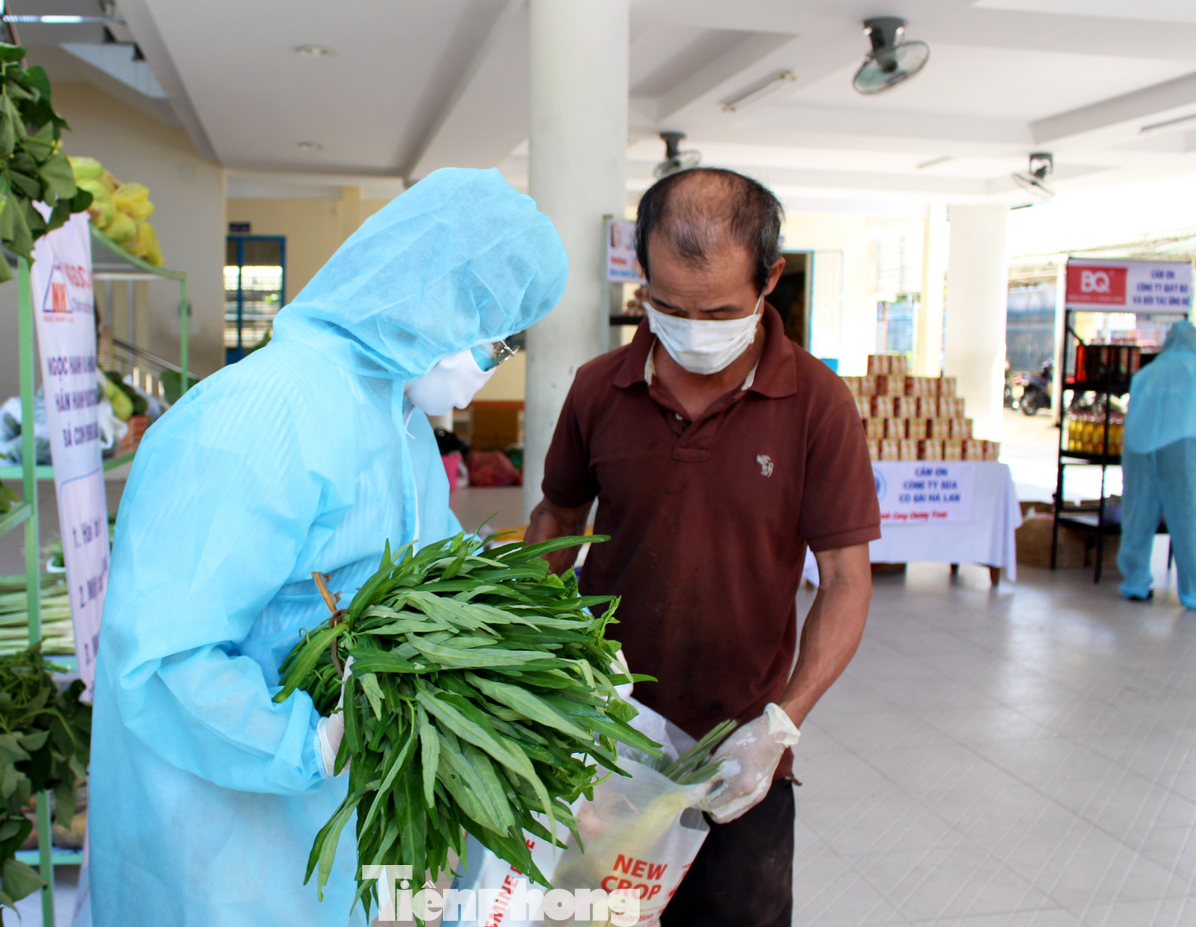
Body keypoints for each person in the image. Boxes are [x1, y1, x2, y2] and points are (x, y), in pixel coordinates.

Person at [85, 167, 568, 926]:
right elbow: (163, 658)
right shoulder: (258, 417)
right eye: (496, 338)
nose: (493, 361)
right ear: (436, 304)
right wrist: (310, 742)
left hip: (323, 835)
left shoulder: (395, 416)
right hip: (224, 847)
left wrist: (538, 640)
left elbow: (426, 570)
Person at [526, 167, 878, 926]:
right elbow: (557, 516)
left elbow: (846, 577)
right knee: (583, 917)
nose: (692, 328)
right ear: (641, 278)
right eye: (668, 307)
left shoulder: (817, 403)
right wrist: (521, 647)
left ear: (770, 279)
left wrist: (782, 721)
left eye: (718, 310)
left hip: (735, 752)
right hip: (596, 736)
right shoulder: (598, 387)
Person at [1119, 320, 1196, 608]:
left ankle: (1135, 582)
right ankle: (1191, 591)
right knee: (1188, 518)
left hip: (1139, 448)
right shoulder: (1193, 370)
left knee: (1137, 513)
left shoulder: (1145, 374)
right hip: (1182, 447)